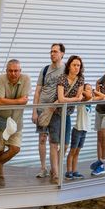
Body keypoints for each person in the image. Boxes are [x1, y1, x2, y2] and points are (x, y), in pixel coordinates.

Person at [0, 59, 29, 185]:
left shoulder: (26, 79)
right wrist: (18, 101)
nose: (13, 73)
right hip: (0, 121)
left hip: (16, 122)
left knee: (15, 148)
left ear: (20, 71)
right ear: (6, 71)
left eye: (16, 71)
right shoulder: (1, 79)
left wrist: (6, 100)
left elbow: (25, 101)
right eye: (10, 71)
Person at [34, 42, 66, 179]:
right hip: (42, 108)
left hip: (56, 111)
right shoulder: (45, 69)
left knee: (55, 141)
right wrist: (34, 111)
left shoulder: (66, 70)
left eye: (55, 51)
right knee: (42, 138)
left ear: (62, 54)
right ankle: (43, 168)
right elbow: (37, 91)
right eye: (51, 51)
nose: (52, 54)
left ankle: (56, 168)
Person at [52, 55, 86, 182]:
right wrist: (74, 99)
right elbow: (61, 99)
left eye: (78, 65)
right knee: (55, 143)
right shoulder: (62, 78)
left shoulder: (80, 79)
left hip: (67, 114)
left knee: (66, 144)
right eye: (74, 65)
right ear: (69, 66)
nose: (76, 67)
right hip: (56, 113)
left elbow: (79, 98)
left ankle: (56, 166)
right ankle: (56, 172)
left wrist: (70, 100)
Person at [65, 84, 94, 180]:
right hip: (78, 129)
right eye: (88, 89)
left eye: (91, 89)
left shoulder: (90, 99)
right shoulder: (82, 100)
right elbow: (88, 95)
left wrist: (93, 91)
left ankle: (74, 171)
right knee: (72, 151)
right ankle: (68, 171)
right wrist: (84, 91)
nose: (90, 91)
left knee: (77, 151)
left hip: (84, 130)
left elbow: (102, 96)